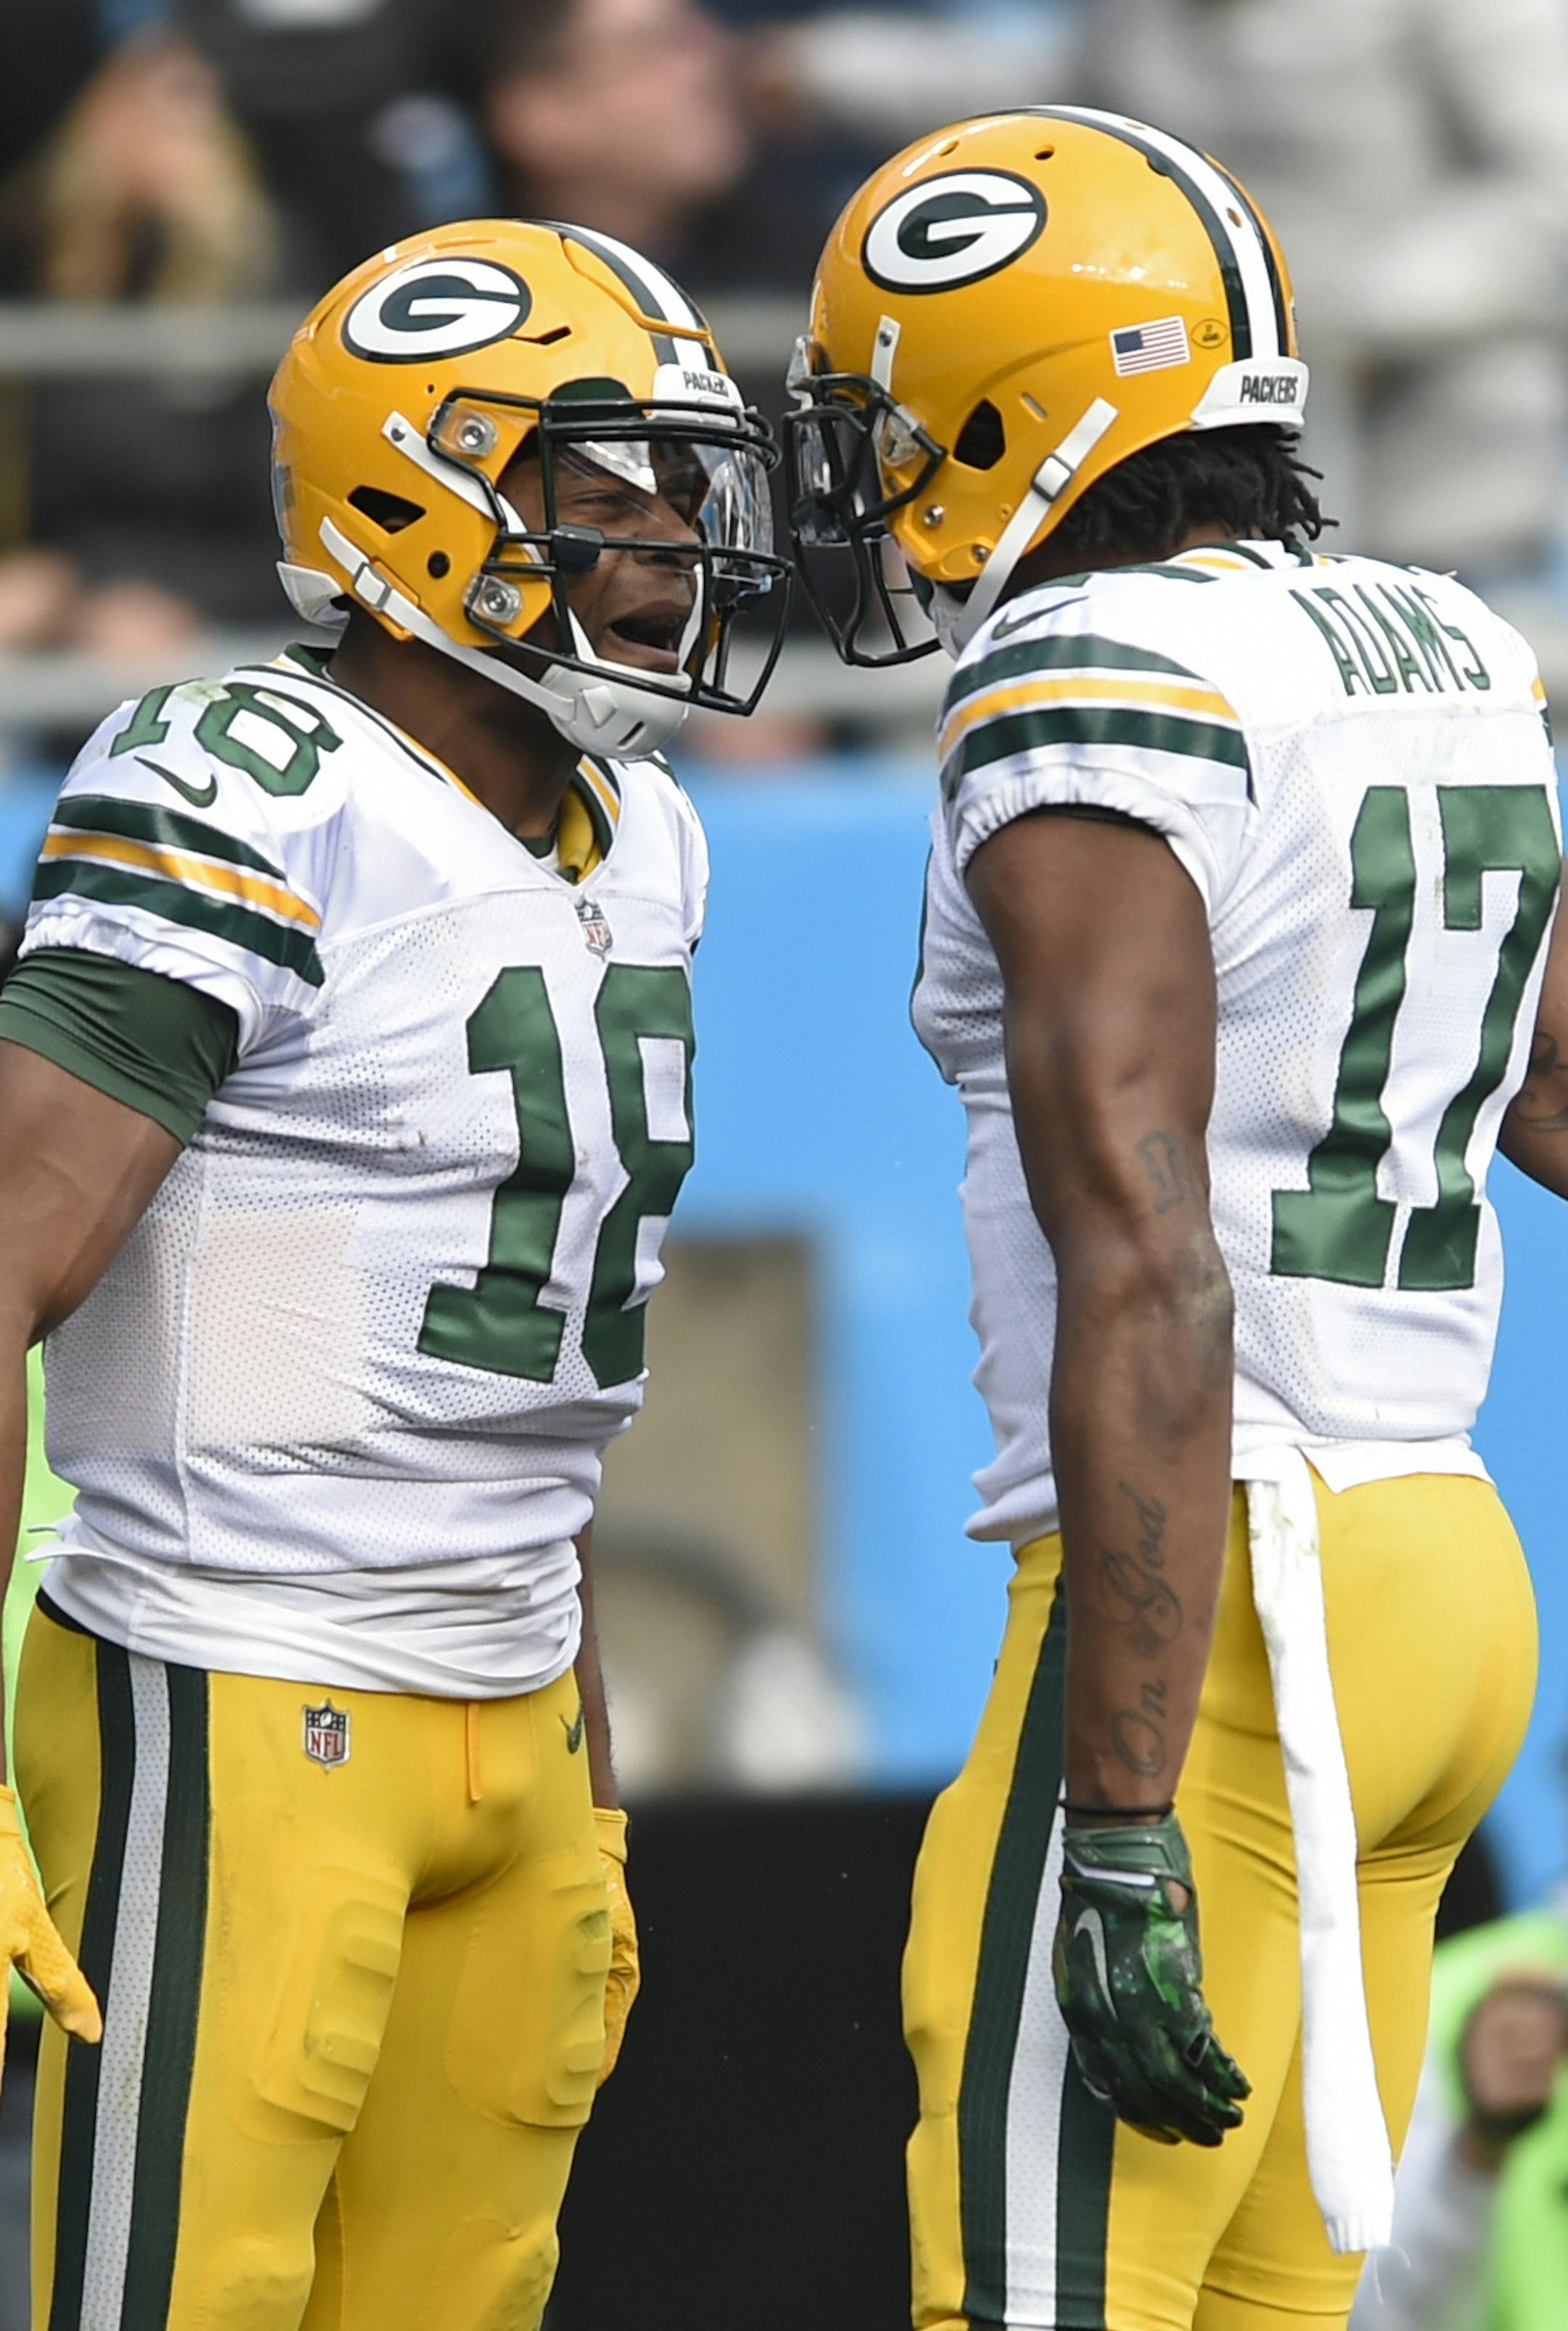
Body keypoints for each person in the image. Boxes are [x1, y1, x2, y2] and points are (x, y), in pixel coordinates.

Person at [787, 107, 1564, 2330]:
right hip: (1438, 1567)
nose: (873, 464)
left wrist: (1114, 1800)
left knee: (1045, 2295)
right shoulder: (1442, 635)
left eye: (896, 405)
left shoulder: (1090, 682)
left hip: (1215, 1605)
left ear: (1017, 389)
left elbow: (1145, 1246)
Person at [0, 213, 786, 2329]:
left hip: (512, 1711)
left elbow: (494, 1375)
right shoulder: (252, 788)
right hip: (235, 1680)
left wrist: (594, 1783)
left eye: (677, 492)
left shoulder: (653, 833)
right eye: (595, 493)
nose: (663, 547)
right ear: (412, 505)